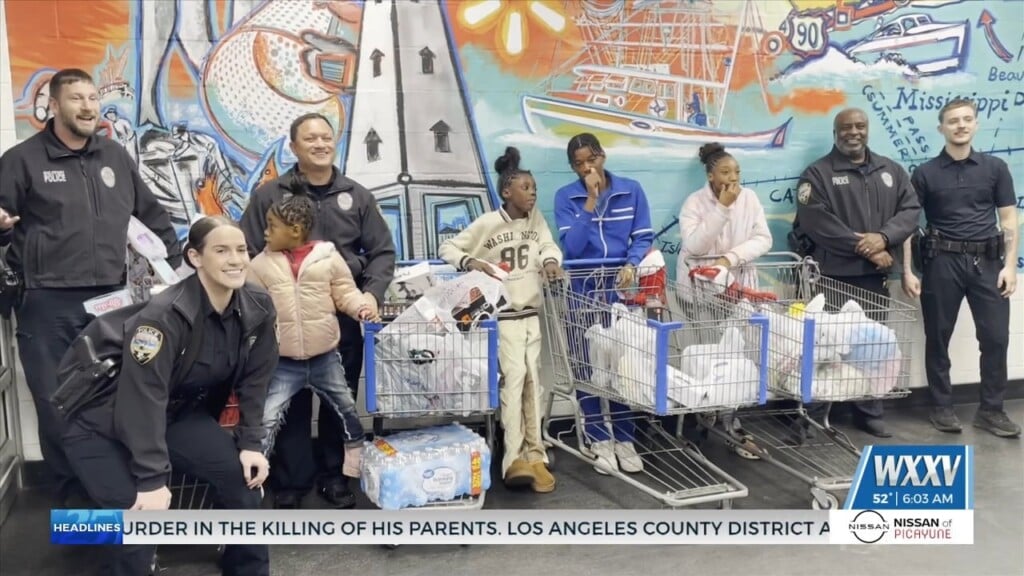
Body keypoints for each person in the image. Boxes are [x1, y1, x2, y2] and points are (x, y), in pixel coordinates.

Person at [0, 68, 181, 504]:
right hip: (46, 304)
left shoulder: (115, 157)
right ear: (55, 105)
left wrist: (177, 269)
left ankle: (109, 500)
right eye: (76, 99)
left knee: (108, 402)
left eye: (92, 99)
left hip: (111, 302)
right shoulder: (21, 160)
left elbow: (152, 216)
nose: (87, 107)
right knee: (57, 405)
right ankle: (75, 510)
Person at [56, 217, 275, 576]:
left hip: (173, 416)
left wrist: (251, 442)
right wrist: (152, 480)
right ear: (195, 257)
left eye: (241, 250)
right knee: (137, 522)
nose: (236, 259)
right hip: (101, 424)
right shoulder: (162, 317)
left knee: (244, 485)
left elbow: (257, 378)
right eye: (221, 250)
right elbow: (142, 397)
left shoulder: (258, 306)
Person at [240, 112, 396, 508]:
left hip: (340, 318)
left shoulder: (357, 196)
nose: (320, 144)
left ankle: (334, 477)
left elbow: (382, 253)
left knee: (335, 401)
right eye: (310, 138)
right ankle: (290, 481)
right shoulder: (269, 196)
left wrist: (371, 295)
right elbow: (246, 255)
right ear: (293, 147)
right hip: (283, 324)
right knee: (287, 404)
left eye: (327, 137)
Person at [790, 108, 921, 438]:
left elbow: (910, 211)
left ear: (867, 129)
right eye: (846, 127)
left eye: (859, 126)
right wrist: (869, 247)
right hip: (832, 277)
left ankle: (869, 411)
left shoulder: (890, 170)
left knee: (873, 347)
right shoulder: (817, 174)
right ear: (835, 133)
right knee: (823, 348)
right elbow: (817, 223)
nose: (853, 132)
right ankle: (813, 413)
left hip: (874, 278)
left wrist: (885, 238)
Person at [439, 146, 563, 493]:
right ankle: (513, 459)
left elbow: (547, 244)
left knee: (533, 385)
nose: (533, 193)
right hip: (505, 317)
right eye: (526, 187)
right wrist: (470, 262)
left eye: (535, 188)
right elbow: (448, 248)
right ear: (507, 192)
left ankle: (536, 454)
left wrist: (551, 260)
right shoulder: (488, 223)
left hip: (531, 314)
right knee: (514, 381)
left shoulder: (536, 218)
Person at [901, 97, 1020, 438]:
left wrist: (1009, 267)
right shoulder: (924, 173)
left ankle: (991, 410)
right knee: (938, 337)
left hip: (988, 262)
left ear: (976, 124)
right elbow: (908, 224)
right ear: (942, 128)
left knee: (996, 338)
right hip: (941, 263)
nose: (961, 125)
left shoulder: (995, 168)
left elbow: (1009, 219)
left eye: (967, 119)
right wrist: (909, 271)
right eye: (953, 121)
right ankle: (941, 406)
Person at [248, 194, 378, 491]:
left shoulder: (328, 258)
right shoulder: (260, 265)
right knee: (268, 418)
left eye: (272, 226)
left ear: (294, 230)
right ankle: (257, 475)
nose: (265, 232)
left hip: (326, 357)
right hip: (283, 361)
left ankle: (353, 463)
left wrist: (361, 307)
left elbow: (345, 292)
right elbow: (252, 304)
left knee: (346, 409)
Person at [553, 132, 653, 475]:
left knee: (623, 365)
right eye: (578, 164)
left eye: (591, 159)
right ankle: (598, 438)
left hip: (619, 291)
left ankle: (625, 438)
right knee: (587, 367)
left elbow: (642, 236)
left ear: (603, 156)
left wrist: (632, 263)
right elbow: (574, 247)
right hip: (582, 289)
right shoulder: (566, 197)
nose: (586, 168)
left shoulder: (631, 189)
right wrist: (590, 201)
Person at [678, 142, 772, 458]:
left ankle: (733, 426)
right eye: (725, 172)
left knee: (739, 359)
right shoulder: (694, 203)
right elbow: (694, 246)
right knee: (707, 357)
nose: (733, 178)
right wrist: (722, 208)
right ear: (710, 175)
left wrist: (729, 260)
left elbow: (763, 238)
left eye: (737, 172)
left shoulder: (750, 198)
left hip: (739, 289)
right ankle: (703, 423)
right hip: (701, 294)